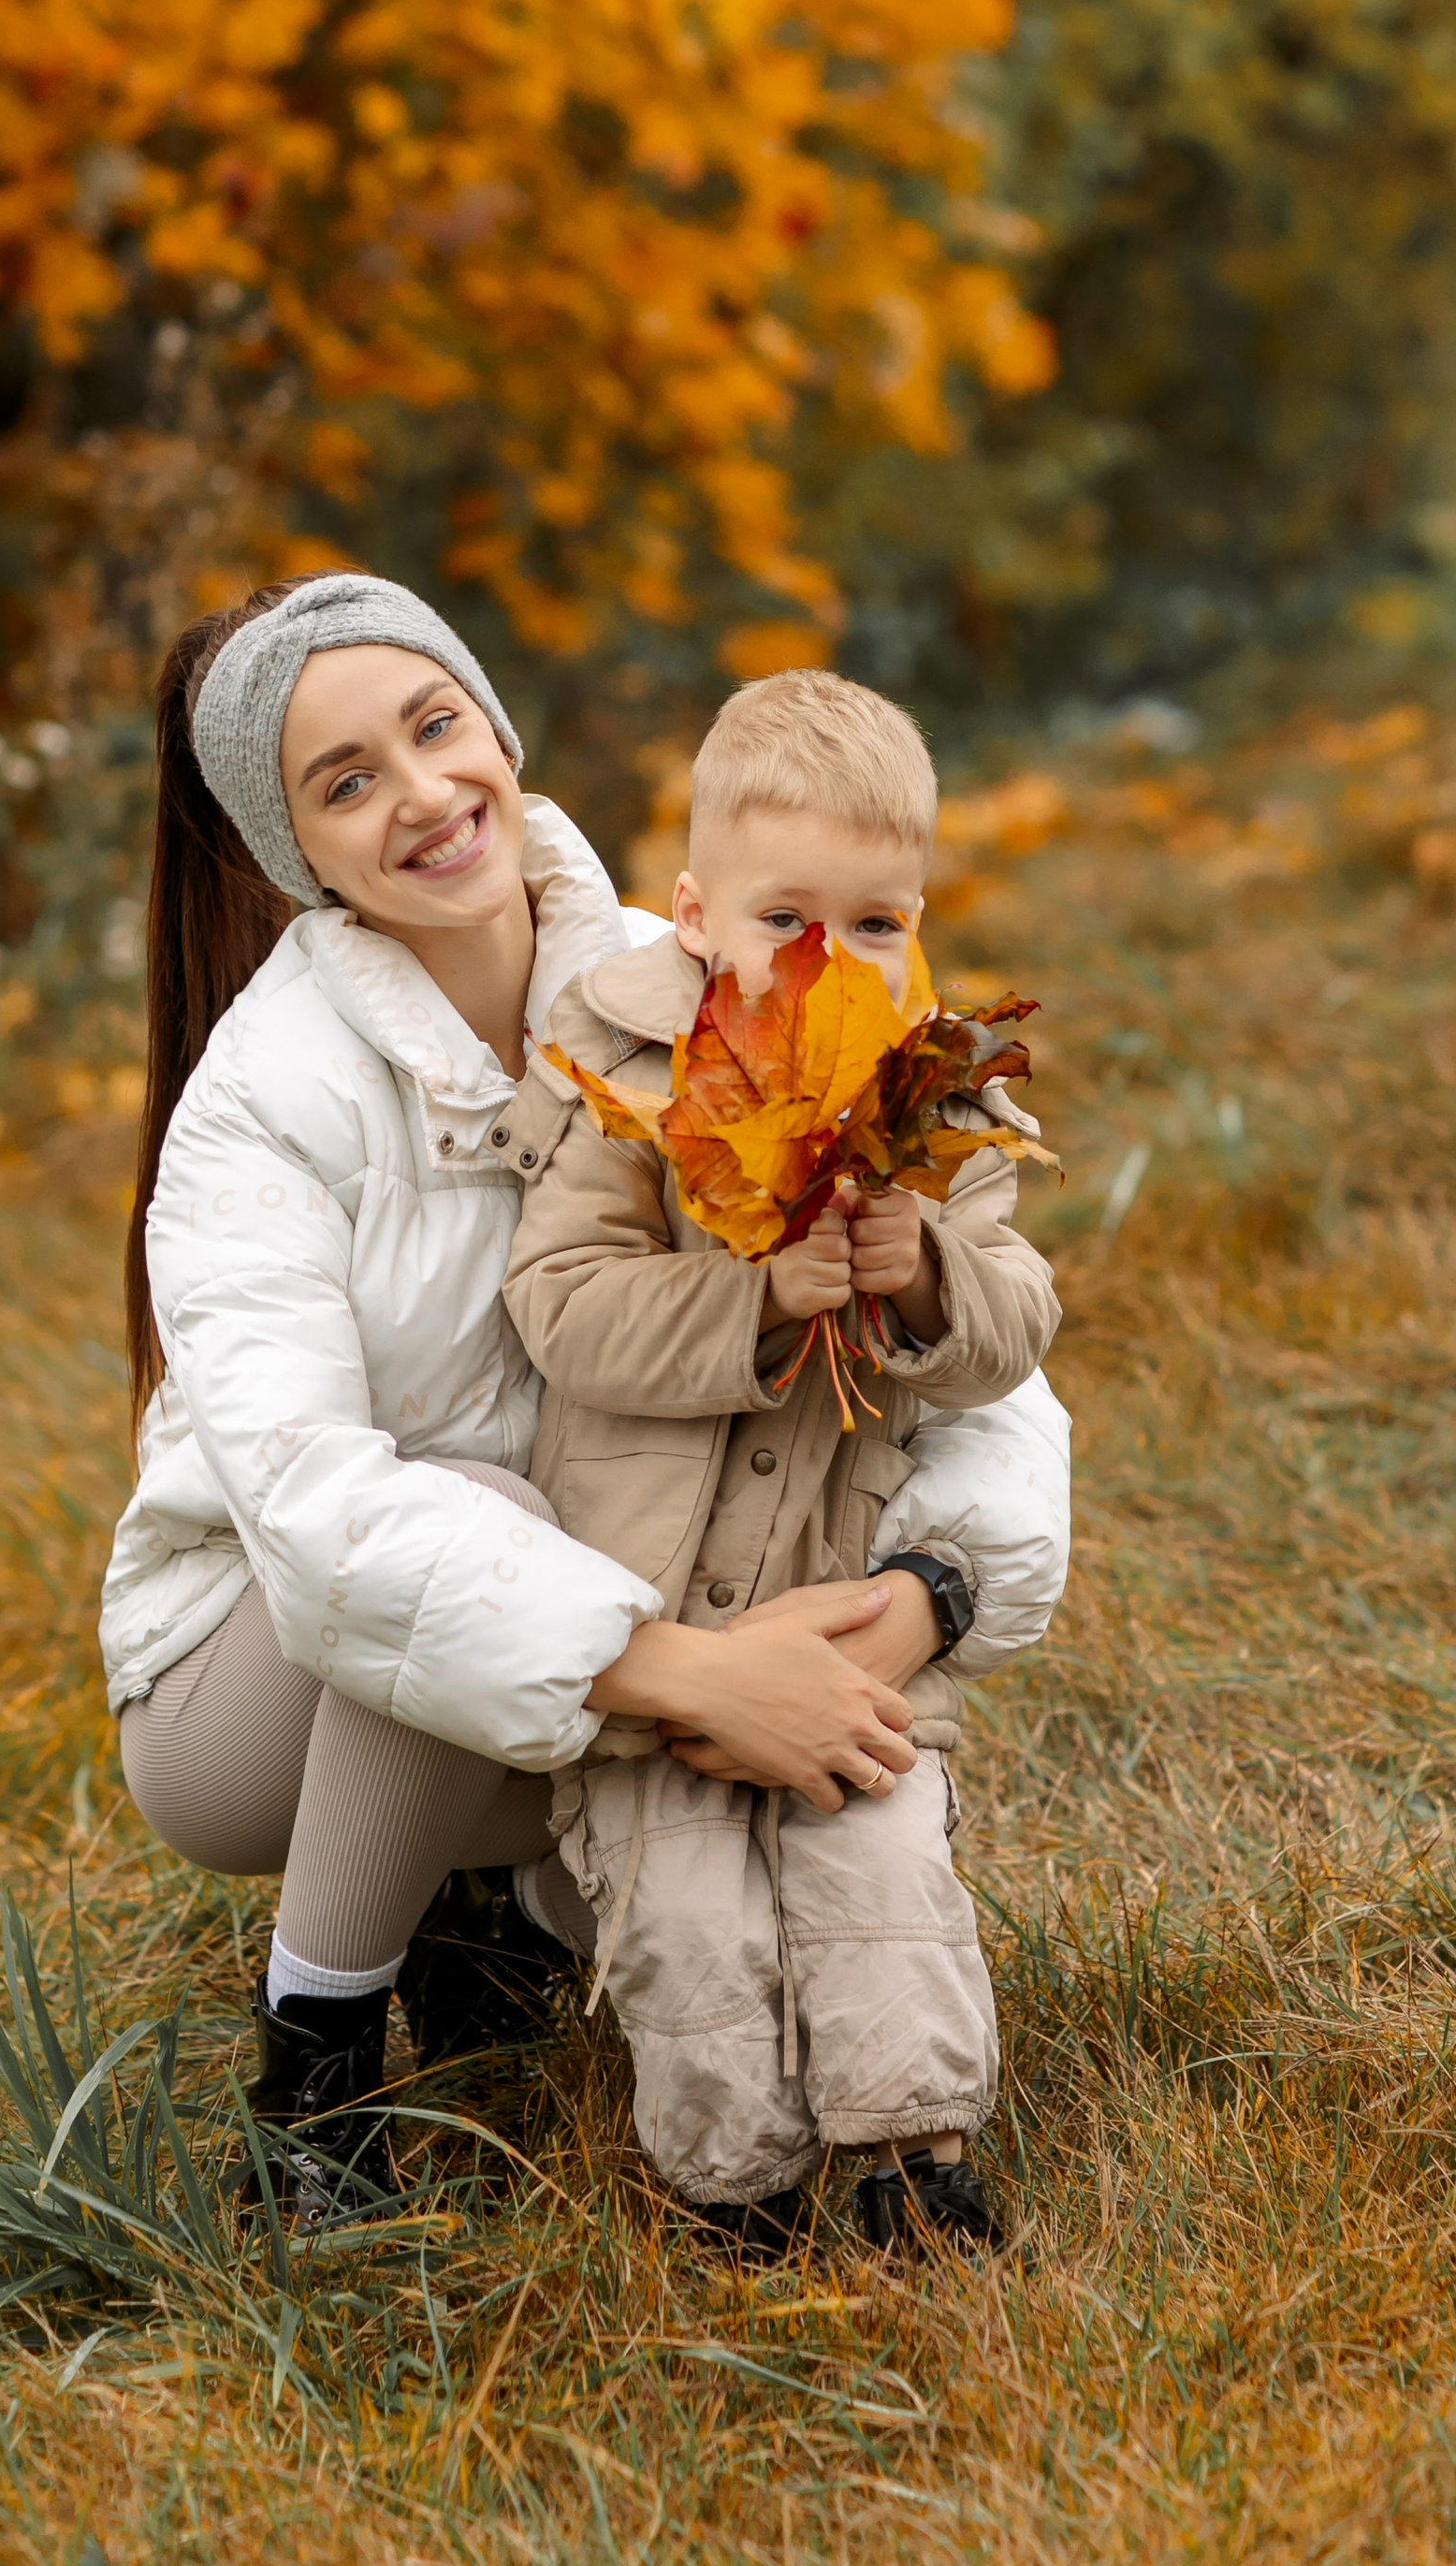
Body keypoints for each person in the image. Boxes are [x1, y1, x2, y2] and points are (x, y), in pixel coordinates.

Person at [100, 571, 1072, 2213]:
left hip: (614, 1590)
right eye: (347, 781)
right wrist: (689, 1670)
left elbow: (979, 1360)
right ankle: (317, 2069)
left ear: (493, 721)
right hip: (259, 1679)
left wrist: (932, 1591)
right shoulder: (258, 1109)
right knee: (475, 1515)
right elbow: (328, 1523)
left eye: (433, 726)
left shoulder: (705, 968)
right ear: (297, 848)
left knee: (761, 1554)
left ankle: (500, 1923)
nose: (420, 795)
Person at [502, 670, 1059, 2260]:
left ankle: (913, 2164)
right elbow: (560, 1310)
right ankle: (735, 2190)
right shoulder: (625, 1081)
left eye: (877, 926)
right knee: (691, 1931)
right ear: (690, 916)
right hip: (654, 1619)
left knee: (878, 1880)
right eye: (786, 921)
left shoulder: (931, 1112)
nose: (833, 965)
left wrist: (928, 1274)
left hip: (834, 1616)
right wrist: (750, 1301)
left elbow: (1020, 1324)